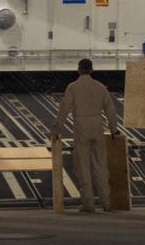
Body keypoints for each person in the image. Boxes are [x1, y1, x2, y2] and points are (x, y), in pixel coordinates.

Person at [51, 58, 119, 213]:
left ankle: (88, 204)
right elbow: (110, 110)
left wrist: (56, 129)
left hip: (81, 127)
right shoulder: (100, 87)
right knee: (100, 166)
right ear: (92, 70)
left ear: (79, 70)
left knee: (83, 166)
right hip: (97, 127)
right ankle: (106, 202)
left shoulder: (73, 87)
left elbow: (64, 109)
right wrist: (113, 129)